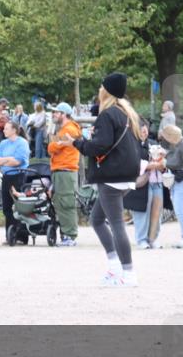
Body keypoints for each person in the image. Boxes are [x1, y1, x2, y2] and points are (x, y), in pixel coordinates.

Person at [58, 73, 142, 286]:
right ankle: (115, 268)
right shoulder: (127, 113)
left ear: (107, 90)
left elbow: (99, 146)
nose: (98, 89)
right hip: (126, 174)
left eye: (101, 86)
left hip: (111, 176)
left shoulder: (108, 115)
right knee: (96, 219)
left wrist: (76, 143)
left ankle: (128, 273)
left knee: (116, 224)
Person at [124, 121, 167, 250]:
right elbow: (131, 164)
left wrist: (162, 163)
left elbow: (163, 163)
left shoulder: (153, 144)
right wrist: (150, 165)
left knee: (157, 213)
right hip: (140, 183)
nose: (145, 132)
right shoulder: (130, 145)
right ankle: (141, 239)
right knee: (142, 212)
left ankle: (153, 239)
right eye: (142, 130)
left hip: (157, 183)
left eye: (146, 130)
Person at [46, 102, 81, 247]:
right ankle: (67, 235)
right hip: (61, 171)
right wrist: (54, 143)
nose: (54, 114)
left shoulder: (69, 130)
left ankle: (70, 236)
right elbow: (54, 146)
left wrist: (54, 144)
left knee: (66, 203)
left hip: (66, 171)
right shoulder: (64, 130)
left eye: (56, 112)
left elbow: (53, 147)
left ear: (64, 114)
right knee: (61, 202)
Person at [159, 124, 183, 249]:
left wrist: (176, 177)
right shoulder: (181, 143)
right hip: (182, 181)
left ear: (170, 136)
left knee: (180, 211)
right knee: (180, 210)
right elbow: (179, 161)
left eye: (166, 137)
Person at [0, 120, 29, 243]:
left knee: (20, 206)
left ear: (14, 130)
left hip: (19, 176)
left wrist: (6, 161)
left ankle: (22, 236)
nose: (4, 130)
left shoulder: (22, 143)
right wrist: (8, 159)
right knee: (7, 207)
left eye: (6, 129)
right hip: (7, 176)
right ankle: (10, 235)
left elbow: (17, 162)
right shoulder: (3, 143)